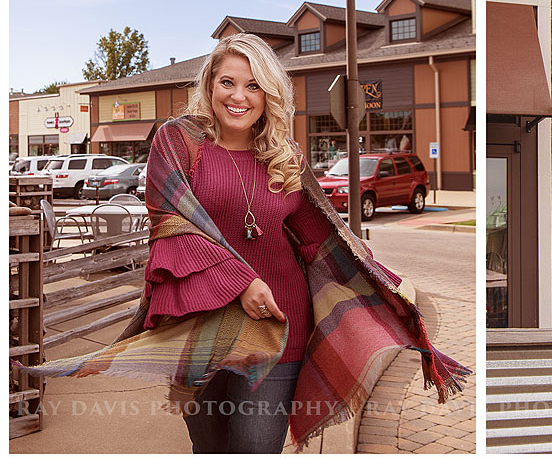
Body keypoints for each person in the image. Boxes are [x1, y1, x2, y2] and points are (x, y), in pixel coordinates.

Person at [22, 33, 468, 453]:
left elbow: (321, 240)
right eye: (228, 83)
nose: (239, 96)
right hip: (198, 321)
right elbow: (171, 223)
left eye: (253, 85)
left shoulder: (285, 155)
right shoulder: (178, 141)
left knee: (255, 449)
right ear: (210, 84)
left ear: (268, 94)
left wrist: (380, 286)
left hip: (278, 325)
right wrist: (243, 283)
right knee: (209, 445)